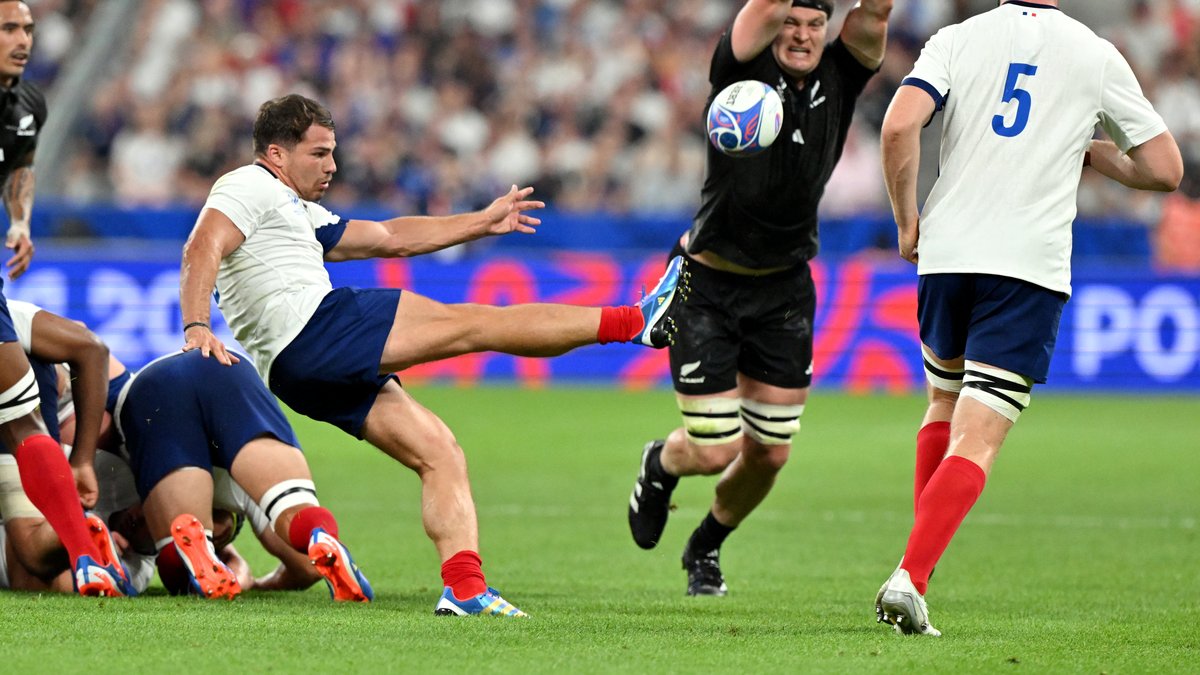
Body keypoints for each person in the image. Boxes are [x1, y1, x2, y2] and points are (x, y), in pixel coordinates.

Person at [179, 94, 686, 616]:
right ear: (277, 154)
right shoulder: (247, 185)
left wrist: (480, 222)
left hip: (294, 370)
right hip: (315, 326)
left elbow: (390, 237)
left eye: (333, 153)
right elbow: (202, 246)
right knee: (478, 324)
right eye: (319, 153)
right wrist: (197, 326)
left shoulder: (296, 210)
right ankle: (636, 321)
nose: (332, 166)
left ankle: (464, 589)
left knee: (439, 451)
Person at [874, 0, 1182, 636]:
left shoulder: (957, 37)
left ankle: (915, 567)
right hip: (1025, 266)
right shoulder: (1095, 54)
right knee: (979, 437)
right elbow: (1165, 169)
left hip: (948, 252)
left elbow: (899, 126)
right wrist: (1098, 157)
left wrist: (907, 221)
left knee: (941, 404)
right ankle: (910, 575)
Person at [626, 0, 893, 596]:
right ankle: (661, 463)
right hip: (707, 281)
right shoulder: (741, 67)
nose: (800, 35)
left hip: (784, 288)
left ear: (828, 30)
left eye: (814, 25)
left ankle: (706, 547)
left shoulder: (841, 75)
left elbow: (875, 12)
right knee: (716, 448)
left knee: (770, 455)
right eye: (791, 23)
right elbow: (765, 9)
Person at [115, 349, 373, 602]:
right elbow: (306, 568)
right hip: (227, 366)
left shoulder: (117, 487)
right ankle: (319, 534)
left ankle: (193, 555)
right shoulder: (244, 494)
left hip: (155, 385)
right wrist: (262, 584)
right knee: (294, 512)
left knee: (177, 551)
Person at [0, 300, 136, 595]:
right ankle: (83, 544)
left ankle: (80, 541)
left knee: (33, 577)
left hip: (19, 456)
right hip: (25, 450)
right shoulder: (14, 315)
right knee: (37, 563)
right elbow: (91, 347)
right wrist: (82, 461)